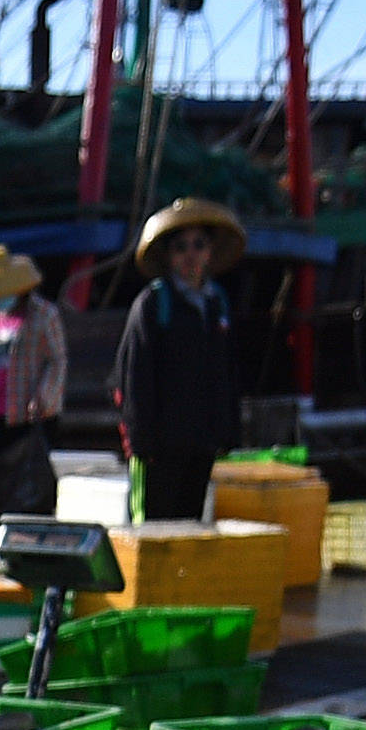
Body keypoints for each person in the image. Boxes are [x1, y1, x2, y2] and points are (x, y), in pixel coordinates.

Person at [115, 198, 247, 527]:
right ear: (169, 256)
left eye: (199, 245)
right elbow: (134, 376)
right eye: (181, 247)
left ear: (209, 252)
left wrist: (228, 431)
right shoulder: (153, 303)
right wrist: (141, 441)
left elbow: (228, 371)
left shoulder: (218, 304)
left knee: (190, 526)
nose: (191, 254)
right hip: (161, 445)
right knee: (153, 528)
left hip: (202, 442)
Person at [0, 243, 67, 534]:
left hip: (30, 417)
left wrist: (44, 396)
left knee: (29, 492)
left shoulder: (44, 315)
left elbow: (57, 360)